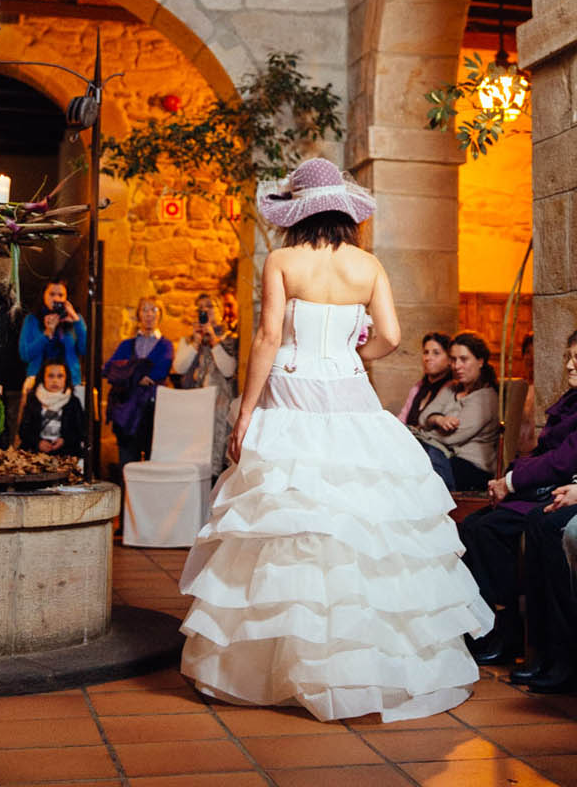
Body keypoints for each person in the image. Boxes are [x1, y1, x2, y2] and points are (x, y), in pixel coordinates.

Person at [179, 156, 492, 723]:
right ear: (344, 212)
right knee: (360, 518)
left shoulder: (282, 259)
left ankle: (278, 663)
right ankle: (365, 666)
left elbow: (271, 336)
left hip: (292, 395)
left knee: (292, 519)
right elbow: (391, 337)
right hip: (350, 397)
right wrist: (352, 354)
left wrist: (244, 412)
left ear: (295, 212)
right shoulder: (368, 265)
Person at [456, 329, 577, 691]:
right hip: (544, 486)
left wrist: (511, 482)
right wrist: (509, 477)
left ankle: (546, 649)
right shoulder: (571, 400)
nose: (570, 365)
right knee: (472, 525)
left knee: (534, 528)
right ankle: (498, 629)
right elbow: (544, 453)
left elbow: (562, 460)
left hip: (553, 488)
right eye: (568, 357)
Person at [410, 332, 500, 491]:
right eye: (453, 359)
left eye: (464, 359)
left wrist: (424, 433)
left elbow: (453, 437)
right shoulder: (452, 388)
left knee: (414, 463)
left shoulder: (485, 397)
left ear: (480, 361)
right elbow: (424, 416)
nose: (457, 366)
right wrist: (438, 419)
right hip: (445, 456)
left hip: (472, 467)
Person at [102, 297, 173, 467]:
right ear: (138, 315)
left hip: (152, 411)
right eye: (145, 310)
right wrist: (138, 374)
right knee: (127, 464)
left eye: (154, 310)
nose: (149, 314)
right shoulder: (126, 345)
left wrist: (128, 370)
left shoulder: (166, 345)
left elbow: (160, 371)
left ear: (160, 315)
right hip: (127, 412)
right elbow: (109, 369)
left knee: (152, 464)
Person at [172, 292, 238, 471]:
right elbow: (179, 368)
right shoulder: (189, 339)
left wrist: (214, 341)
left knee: (219, 459)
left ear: (220, 310)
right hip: (195, 406)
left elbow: (228, 370)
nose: (205, 311)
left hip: (221, 406)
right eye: (201, 308)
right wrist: (196, 342)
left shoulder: (231, 338)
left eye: (210, 306)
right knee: (195, 457)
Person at [19, 280, 87, 388]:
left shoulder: (74, 319)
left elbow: (85, 350)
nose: (56, 298)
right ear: (44, 295)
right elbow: (25, 355)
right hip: (37, 383)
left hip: (70, 383)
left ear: (66, 298)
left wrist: (77, 321)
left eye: (61, 295)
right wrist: (46, 334)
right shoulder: (32, 320)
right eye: (52, 294)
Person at [17, 360, 84, 455]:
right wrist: (38, 443)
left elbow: (80, 431)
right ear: (43, 377)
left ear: (66, 378)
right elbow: (23, 431)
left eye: (60, 376)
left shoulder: (73, 401)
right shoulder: (33, 399)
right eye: (50, 376)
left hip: (66, 453)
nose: (55, 380)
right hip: (36, 453)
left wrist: (64, 440)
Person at [397, 332, 453, 425]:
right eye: (426, 352)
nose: (428, 358)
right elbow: (402, 419)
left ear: (450, 360)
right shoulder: (418, 387)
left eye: (436, 353)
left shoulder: (452, 390)